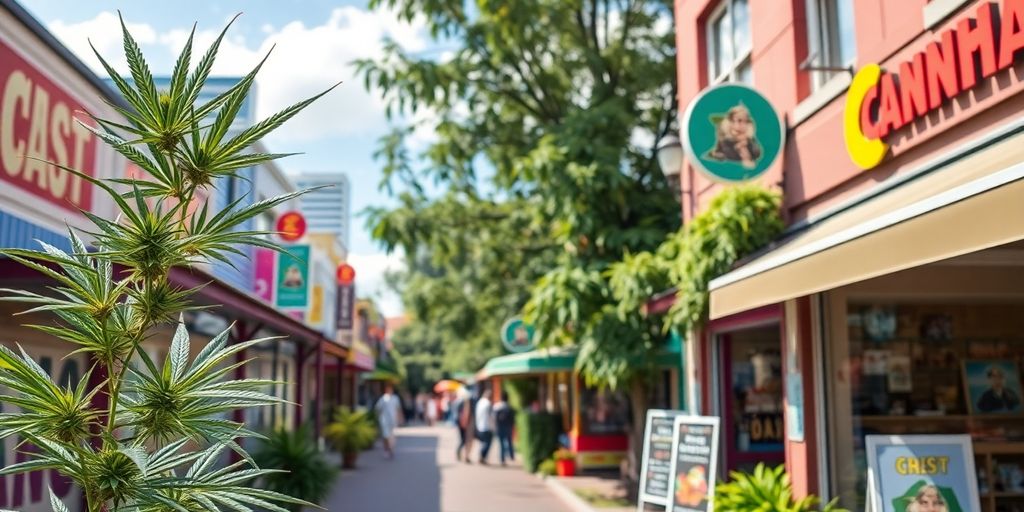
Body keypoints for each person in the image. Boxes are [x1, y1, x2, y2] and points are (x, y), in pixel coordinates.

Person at [374, 384, 404, 459]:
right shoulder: (383, 399)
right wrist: (378, 417)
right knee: (385, 435)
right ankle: (387, 449)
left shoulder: (395, 398)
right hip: (384, 420)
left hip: (393, 420)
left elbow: (398, 409)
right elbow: (378, 409)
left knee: (391, 435)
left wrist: (400, 418)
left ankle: (391, 448)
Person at [453, 388, 474, 462]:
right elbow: (466, 413)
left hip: (459, 422)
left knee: (462, 439)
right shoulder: (464, 402)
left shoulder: (457, 401)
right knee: (464, 439)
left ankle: (460, 453)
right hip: (463, 423)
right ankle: (461, 453)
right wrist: (465, 423)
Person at [493, 398, 516, 466]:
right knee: (509, 442)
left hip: (500, 428)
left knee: (501, 444)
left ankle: (502, 459)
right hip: (508, 427)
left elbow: (495, 419)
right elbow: (512, 419)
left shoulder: (497, 407)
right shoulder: (509, 408)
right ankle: (511, 456)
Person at [475, 388, 494, 465]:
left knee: (483, 443)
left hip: (480, 425)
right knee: (487, 443)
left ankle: (481, 456)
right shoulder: (488, 404)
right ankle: (482, 456)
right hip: (487, 426)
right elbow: (491, 416)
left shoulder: (480, 402)